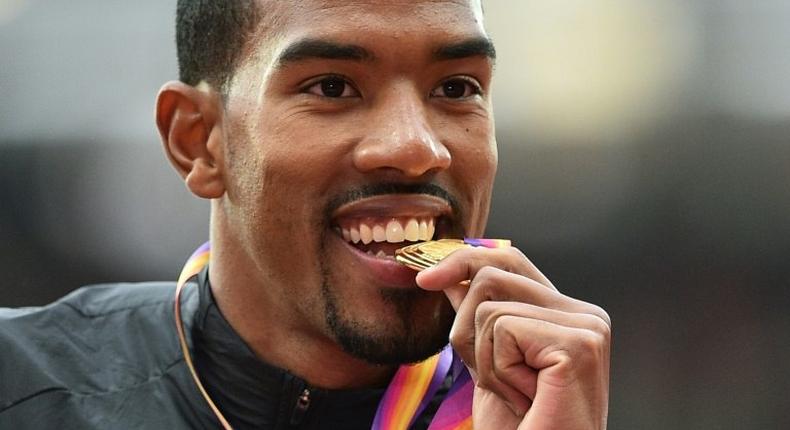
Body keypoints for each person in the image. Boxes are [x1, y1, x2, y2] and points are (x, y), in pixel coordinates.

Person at [0, 1, 611, 428]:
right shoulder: (20, 389)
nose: (417, 148)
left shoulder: (545, 408)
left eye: (456, 88)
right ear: (199, 141)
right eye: (333, 87)